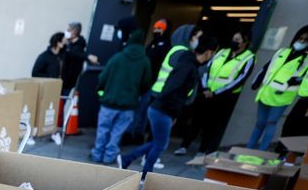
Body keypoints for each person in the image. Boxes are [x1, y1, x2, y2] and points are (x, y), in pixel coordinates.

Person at [120, 36, 218, 179]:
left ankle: (129, 161)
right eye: (214, 52)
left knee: (158, 143)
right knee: (160, 145)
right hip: (162, 110)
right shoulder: (188, 66)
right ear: (209, 52)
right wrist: (172, 113)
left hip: (162, 109)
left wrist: (173, 115)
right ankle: (143, 173)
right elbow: (171, 88)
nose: (213, 56)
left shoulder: (189, 63)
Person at [176, 30, 255, 155]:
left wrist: (217, 92)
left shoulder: (248, 57)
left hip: (224, 97)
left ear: (245, 43)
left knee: (212, 125)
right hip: (206, 92)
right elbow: (207, 69)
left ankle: (203, 150)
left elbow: (240, 79)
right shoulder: (222, 52)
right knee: (196, 120)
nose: (234, 42)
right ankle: (184, 145)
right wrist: (206, 87)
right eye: (234, 38)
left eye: (238, 40)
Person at [246, 25, 308, 150]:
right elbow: (267, 67)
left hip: (282, 96)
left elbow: (303, 77)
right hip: (266, 92)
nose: (301, 41)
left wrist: (291, 82)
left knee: (271, 123)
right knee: (259, 123)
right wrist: (257, 81)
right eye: (300, 38)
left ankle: (261, 151)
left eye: (306, 40)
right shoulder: (282, 52)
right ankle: (248, 149)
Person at [128, 23, 198, 142]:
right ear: (188, 37)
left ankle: (138, 149)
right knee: (157, 132)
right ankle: (139, 153)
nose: (156, 30)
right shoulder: (181, 53)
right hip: (164, 94)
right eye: (197, 37)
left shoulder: (172, 49)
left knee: (151, 125)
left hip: (158, 90)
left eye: (159, 28)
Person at [91, 29, 152, 165]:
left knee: (103, 130)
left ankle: (97, 155)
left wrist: (101, 91)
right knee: (117, 132)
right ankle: (109, 157)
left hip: (109, 102)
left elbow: (102, 77)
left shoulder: (117, 57)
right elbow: (146, 83)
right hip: (129, 105)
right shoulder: (145, 61)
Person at [61, 22, 98, 95]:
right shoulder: (67, 42)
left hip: (68, 80)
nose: (66, 32)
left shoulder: (79, 45)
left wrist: (88, 56)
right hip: (60, 78)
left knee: (61, 101)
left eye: (68, 30)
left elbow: (73, 54)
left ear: (74, 31)